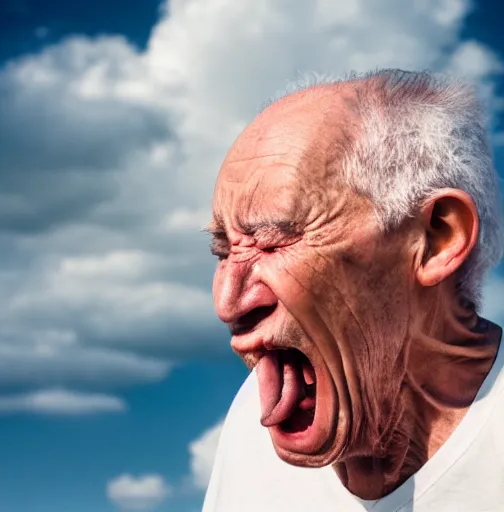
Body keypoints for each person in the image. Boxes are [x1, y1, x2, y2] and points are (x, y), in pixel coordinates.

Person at [203, 69, 504, 511]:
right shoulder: (252, 418)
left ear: (438, 238)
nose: (228, 302)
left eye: (274, 241)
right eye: (223, 251)